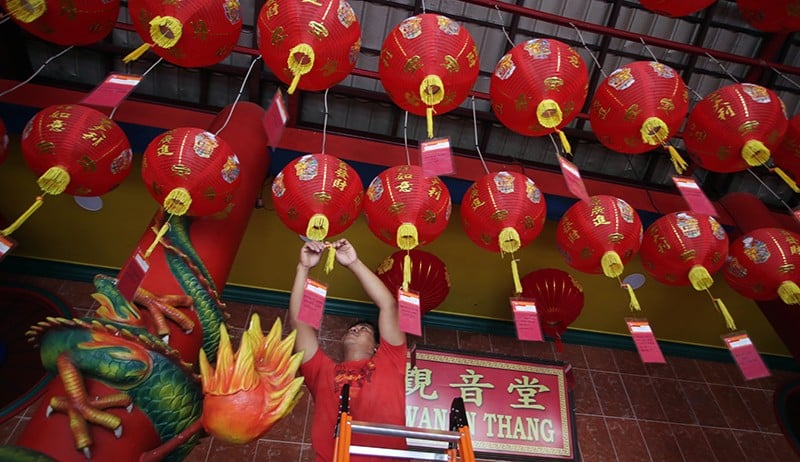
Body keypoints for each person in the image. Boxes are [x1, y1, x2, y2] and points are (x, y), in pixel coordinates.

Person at [290, 238, 407, 462]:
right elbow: (298, 323)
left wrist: (353, 262)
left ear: (376, 345)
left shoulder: (391, 360)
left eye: (363, 329)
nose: (355, 330)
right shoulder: (321, 371)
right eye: (352, 328)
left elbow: (388, 306)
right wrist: (303, 267)